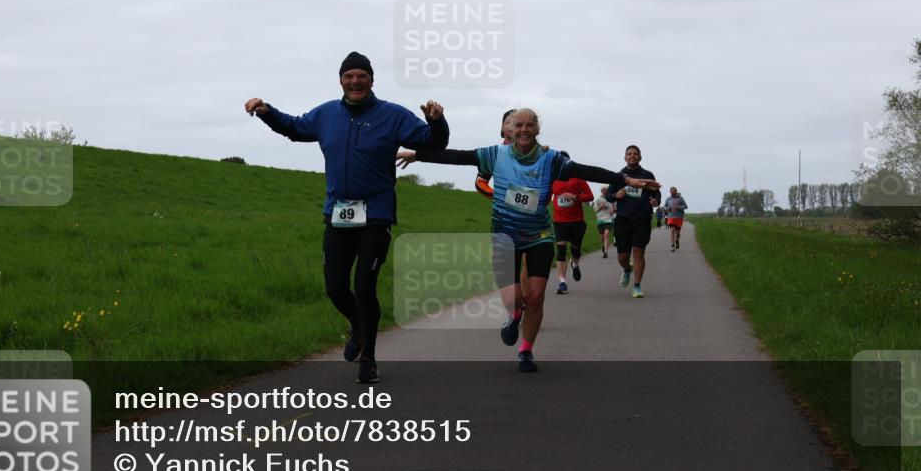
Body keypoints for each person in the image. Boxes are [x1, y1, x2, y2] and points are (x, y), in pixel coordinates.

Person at [398, 109, 659, 373]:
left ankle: (526, 350)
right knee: (513, 300)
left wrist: (624, 178)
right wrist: (419, 155)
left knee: (535, 297)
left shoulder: (551, 158)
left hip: (539, 236)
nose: (523, 129)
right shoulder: (494, 154)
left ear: (537, 130)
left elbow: (585, 170)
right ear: (508, 130)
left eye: (529, 125)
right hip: (504, 236)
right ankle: (513, 315)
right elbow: (459, 157)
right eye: (518, 125)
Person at [245, 51, 449, 384]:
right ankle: (357, 324)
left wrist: (436, 122)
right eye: (348, 76)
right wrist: (266, 111)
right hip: (338, 213)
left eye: (361, 76)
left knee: (364, 286)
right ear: (341, 80)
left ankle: (368, 357)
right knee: (336, 287)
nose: (355, 81)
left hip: (376, 215)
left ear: (371, 80)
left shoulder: (392, 115)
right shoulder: (327, 114)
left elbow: (433, 143)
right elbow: (295, 128)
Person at [605, 145, 661, 299]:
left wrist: (656, 200)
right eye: (629, 154)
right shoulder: (619, 176)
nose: (632, 156)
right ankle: (627, 269)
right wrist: (616, 195)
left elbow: (656, 192)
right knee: (622, 257)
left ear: (640, 157)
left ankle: (637, 286)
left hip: (642, 219)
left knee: (638, 251)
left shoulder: (647, 175)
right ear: (625, 157)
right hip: (622, 220)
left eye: (635, 154)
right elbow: (608, 195)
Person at [550, 173, 593, 293]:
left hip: (576, 221)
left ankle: (574, 263)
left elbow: (590, 196)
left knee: (576, 250)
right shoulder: (552, 179)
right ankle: (562, 282)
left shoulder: (578, 178)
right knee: (561, 250)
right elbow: (546, 196)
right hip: (559, 221)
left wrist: (575, 197)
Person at [593, 188, 616, 258]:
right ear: (601, 191)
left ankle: (605, 252)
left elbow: (614, 208)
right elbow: (595, 210)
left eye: (606, 190)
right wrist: (600, 207)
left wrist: (613, 210)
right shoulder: (598, 200)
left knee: (606, 234)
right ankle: (603, 245)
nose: (605, 191)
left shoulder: (611, 199)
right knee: (602, 238)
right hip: (600, 220)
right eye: (603, 190)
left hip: (609, 219)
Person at [664, 187, 688, 251]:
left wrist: (679, 207)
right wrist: (667, 209)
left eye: (674, 191)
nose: (672, 192)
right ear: (670, 192)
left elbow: (686, 206)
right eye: (671, 191)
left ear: (676, 191)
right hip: (671, 217)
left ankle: (677, 240)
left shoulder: (680, 198)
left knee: (677, 233)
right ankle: (672, 245)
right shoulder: (668, 199)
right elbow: (665, 206)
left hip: (679, 217)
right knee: (672, 230)